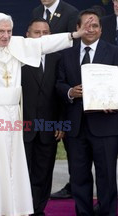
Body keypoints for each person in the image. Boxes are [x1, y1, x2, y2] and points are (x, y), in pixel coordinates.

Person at [0, 13, 90, 216]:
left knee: (10, 167)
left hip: (12, 114)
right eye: (1, 31)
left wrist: (74, 34)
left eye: (9, 31)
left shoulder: (17, 45)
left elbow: (44, 43)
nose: (6, 35)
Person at [56, 9, 118, 216]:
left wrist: (115, 101)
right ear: (78, 29)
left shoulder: (114, 53)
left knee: (107, 176)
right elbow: (59, 85)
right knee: (79, 176)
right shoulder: (67, 55)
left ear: (101, 29)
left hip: (106, 125)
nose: (91, 30)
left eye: (95, 26)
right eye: (86, 26)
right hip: (76, 126)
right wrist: (71, 91)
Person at [10, 18, 64, 216]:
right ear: (27, 35)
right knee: (21, 172)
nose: (41, 36)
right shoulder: (17, 60)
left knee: (43, 172)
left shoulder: (58, 58)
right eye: (36, 32)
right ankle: (17, 214)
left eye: (45, 32)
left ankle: (38, 213)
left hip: (49, 127)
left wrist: (61, 122)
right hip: (21, 127)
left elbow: (60, 92)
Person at [32, 0, 79, 200]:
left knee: (71, 147)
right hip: (40, 79)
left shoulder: (71, 12)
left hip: (62, 77)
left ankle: (74, 185)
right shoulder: (36, 11)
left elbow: (72, 48)